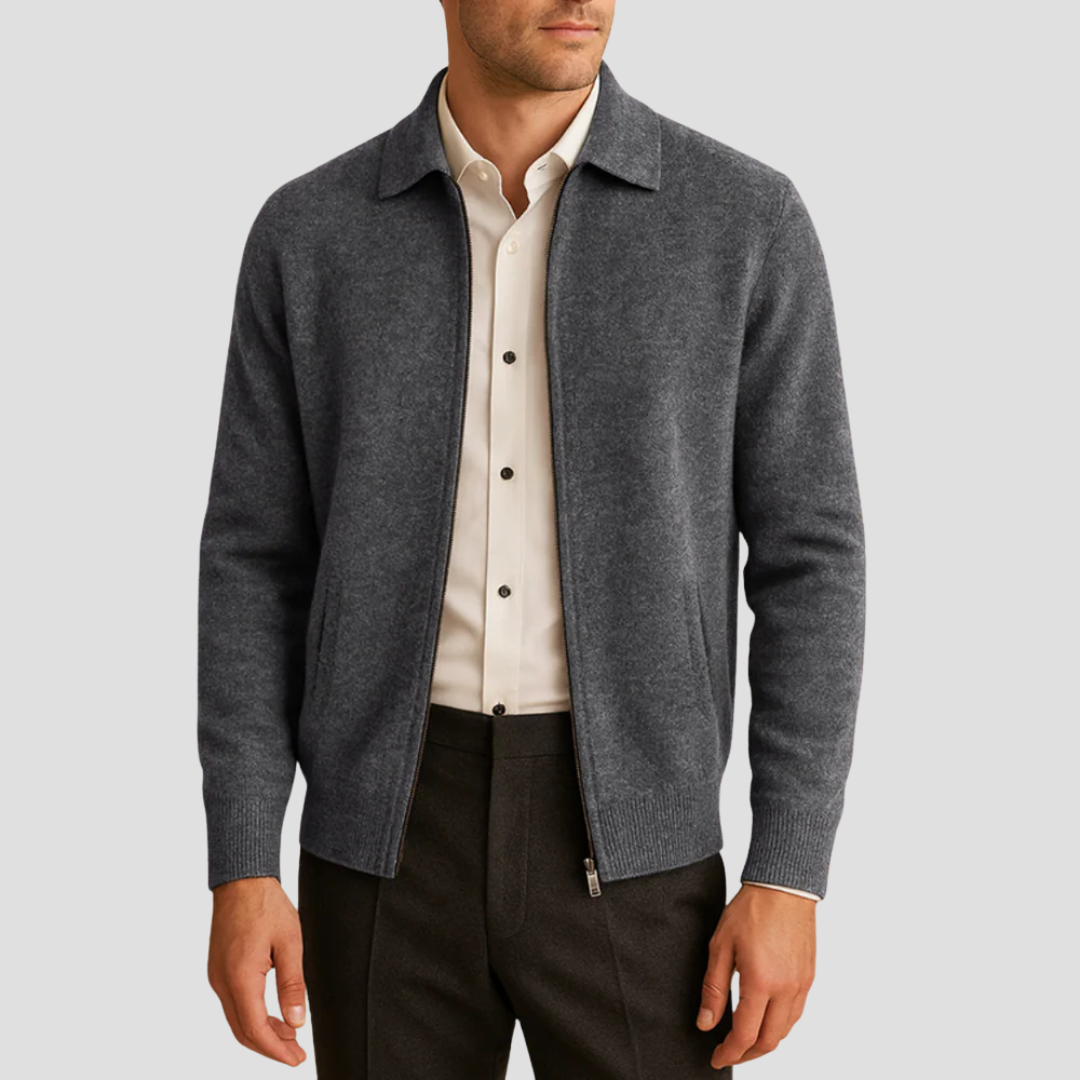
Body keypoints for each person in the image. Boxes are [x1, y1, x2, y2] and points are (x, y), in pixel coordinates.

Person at [198, 1, 866, 1075]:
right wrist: (242, 857)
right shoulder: (312, 232)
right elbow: (252, 559)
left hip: (640, 842)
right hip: (382, 844)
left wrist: (788, 870)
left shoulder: (742, 220)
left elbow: (813, 559)